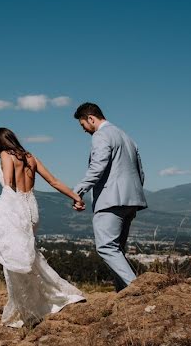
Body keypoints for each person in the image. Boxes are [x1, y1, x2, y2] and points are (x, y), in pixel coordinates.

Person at [0, 127, 86, 328]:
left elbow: (8, 185)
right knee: (29, 256)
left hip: (15, 209)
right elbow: (54, 181)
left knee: (15, 262)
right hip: (32, 208)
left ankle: (28, 311)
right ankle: (44, 299)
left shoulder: (6, 155)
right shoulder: (31, 158)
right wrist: (76, 197)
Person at [72, 102, 146, 292]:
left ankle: (138, 290)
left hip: (111, 199)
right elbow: (140, 172)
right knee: (117, 250)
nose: (84, 130)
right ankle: (123, 294)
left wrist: (78, 190)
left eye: (83, 125)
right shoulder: (127, 137)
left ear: (91, 118)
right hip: (133, 200)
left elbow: (98, 166)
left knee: (106, 247)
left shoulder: (101, 135)